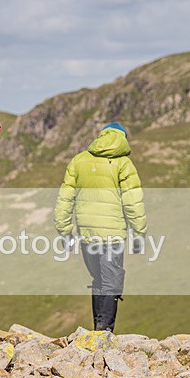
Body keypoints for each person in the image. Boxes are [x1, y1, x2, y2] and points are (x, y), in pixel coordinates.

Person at [54, 123, 147, 333]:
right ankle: (104, 331)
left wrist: (64, 230)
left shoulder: (79, 160)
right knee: (111, 281)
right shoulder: (123, 163)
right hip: (112, 234)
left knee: (98, 279)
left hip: (87, 234)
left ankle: (98, 327)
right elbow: (133, 202)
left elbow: (65, 198)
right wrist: (139, 232)